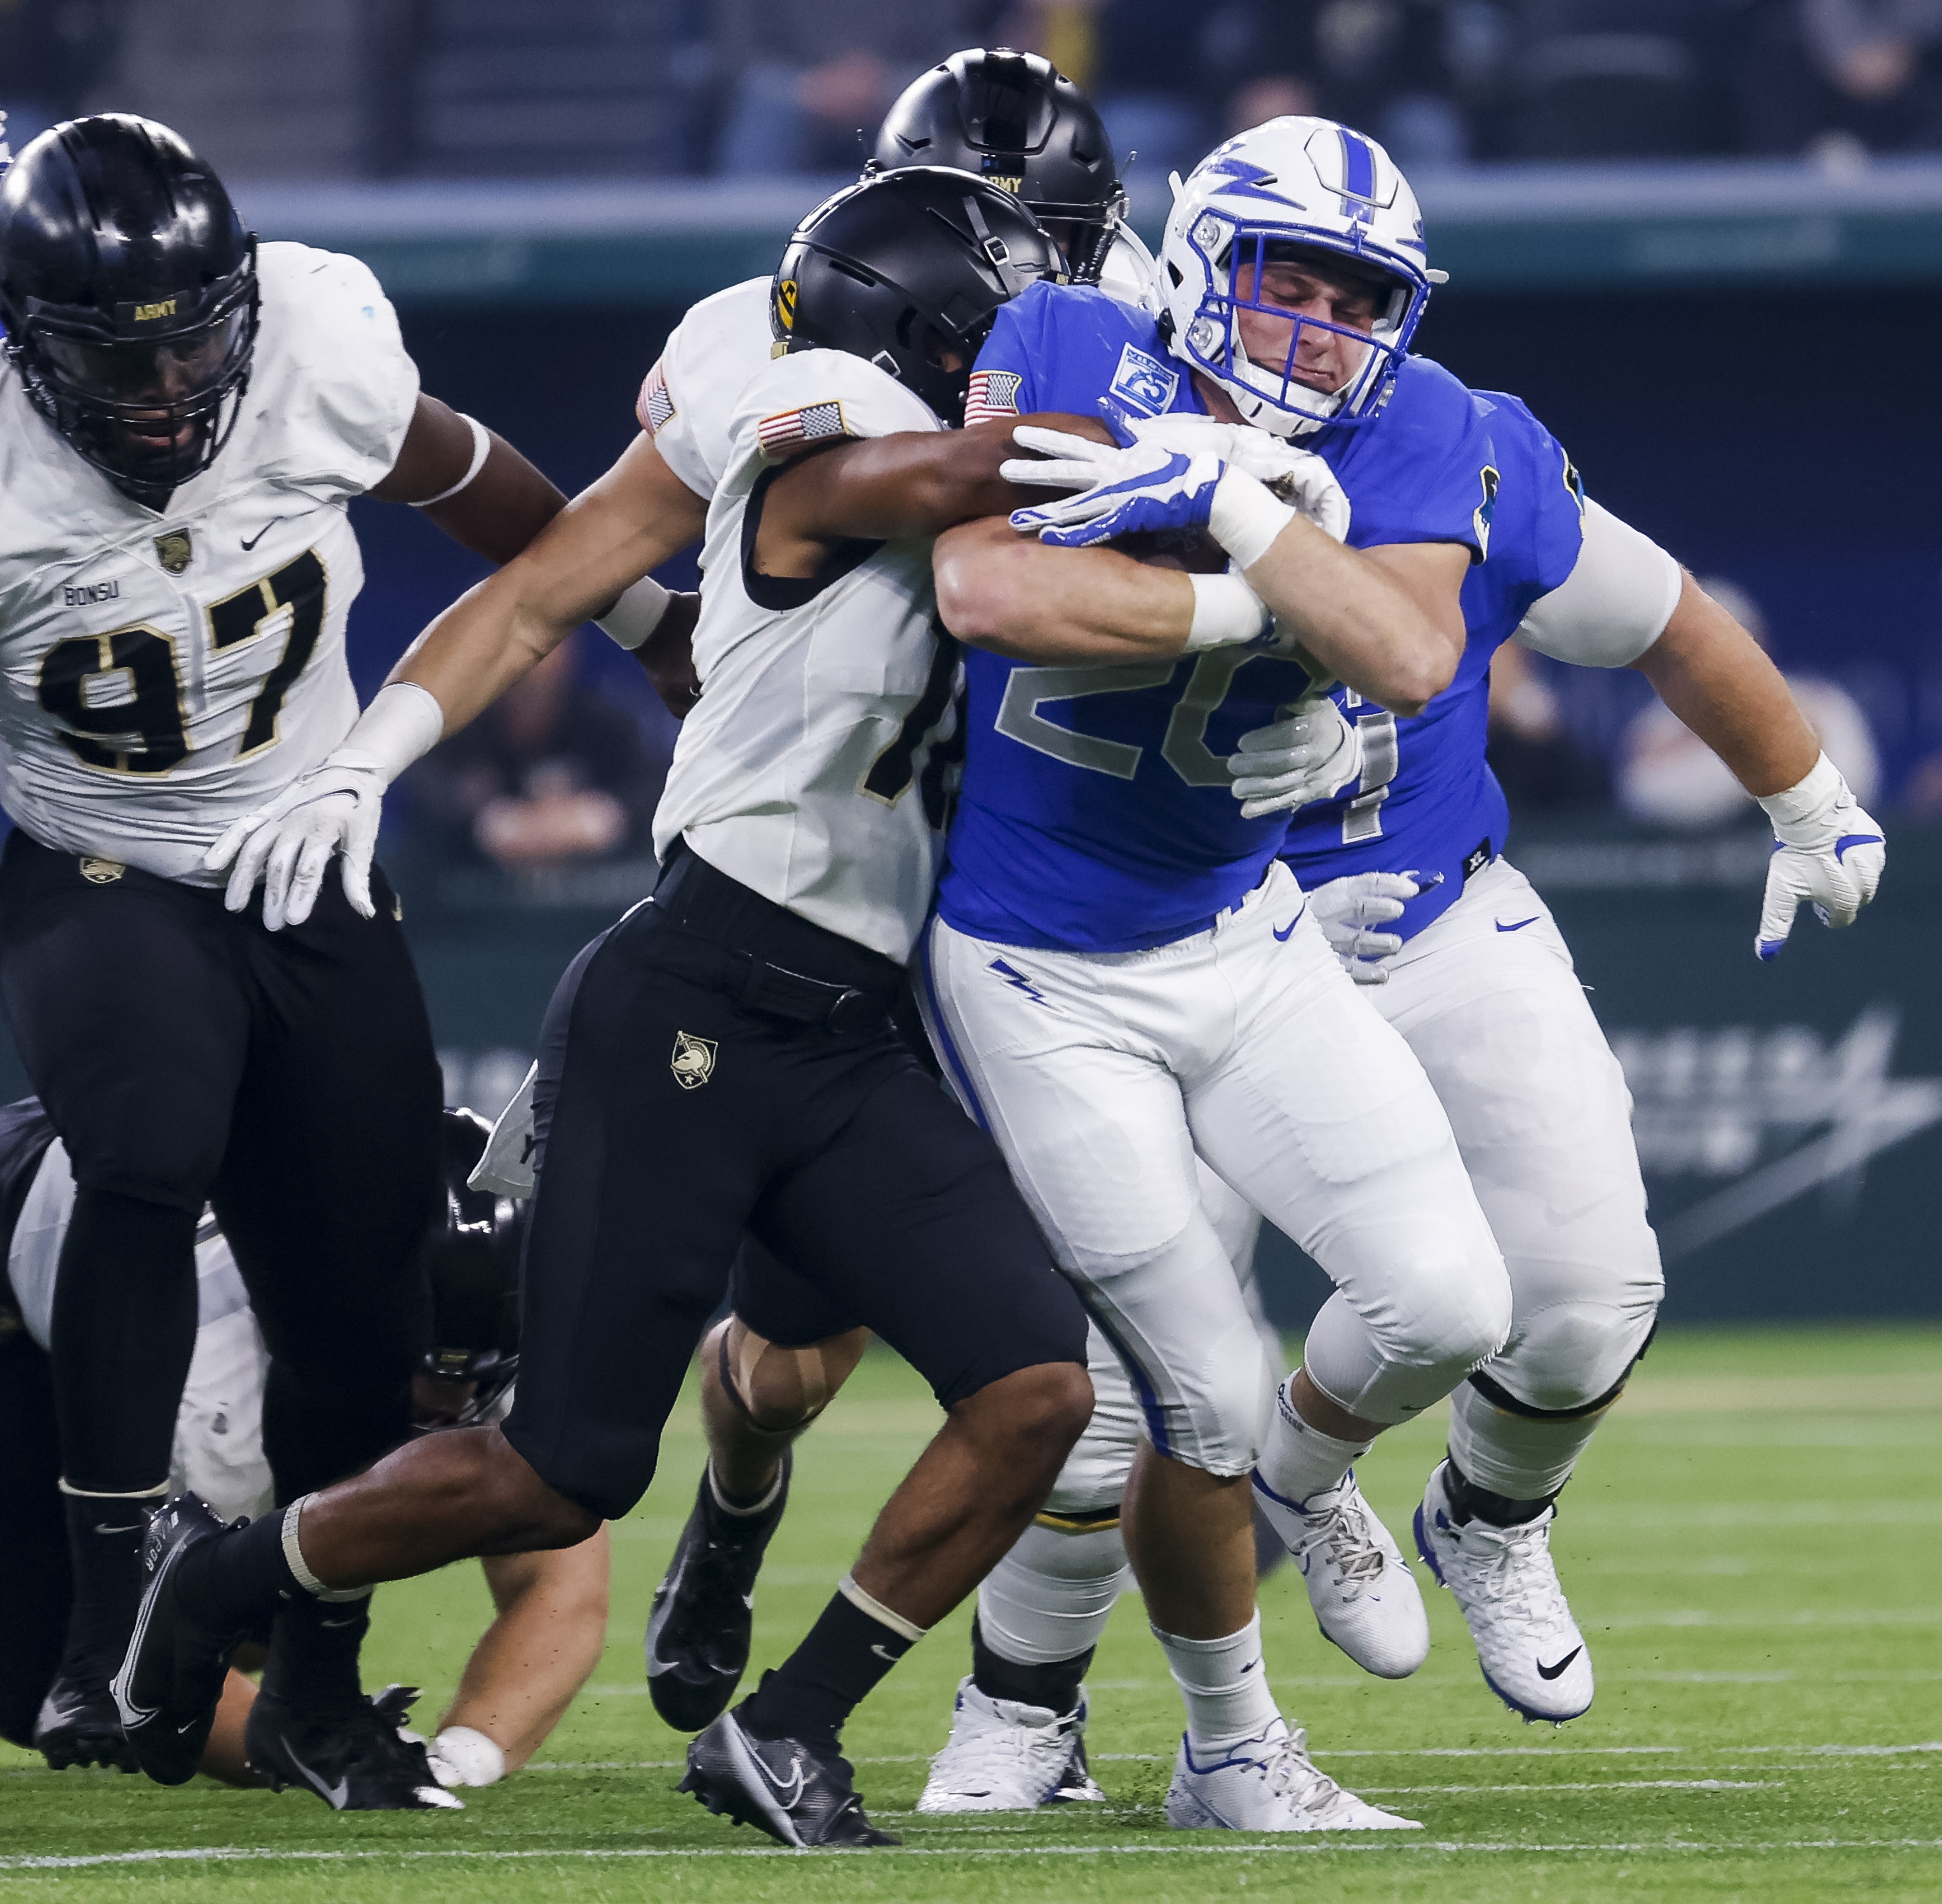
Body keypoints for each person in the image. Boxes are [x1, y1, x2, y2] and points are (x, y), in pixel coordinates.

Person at [116, 165, 1214, 1852]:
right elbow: (903, 471)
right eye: (995, 333)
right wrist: (1168, 444)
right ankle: (232, 1574)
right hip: (693, 998)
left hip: (850, 1028)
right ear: (921, 334)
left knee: (1035, 1387)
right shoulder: (832, 432)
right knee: (561, 1468)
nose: (1025, 359)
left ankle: (786, 1724)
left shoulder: (964, 469)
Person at [0, 114, 570, 1799]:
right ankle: (114, 1616)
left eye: (196, 338)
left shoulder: (317, 344)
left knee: (360, 1304)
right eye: (125, 352)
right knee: (147, 1146)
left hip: (309, 847)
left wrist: (639, 618)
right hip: (96, 858)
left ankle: (312, 1673)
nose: (173, 385)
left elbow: (502, 502)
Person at [0, 1104, 607, 1800]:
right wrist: (328, 1752)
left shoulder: (496, 1338)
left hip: (107, 1249)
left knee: (295, 1569)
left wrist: (464, 1756)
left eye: (473, 1374)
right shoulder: (207, 1387)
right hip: (36, 1252)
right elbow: (147, 1657)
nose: (449, 1402)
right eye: (426, 1371)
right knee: (41, 1660)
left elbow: (562, 1591)